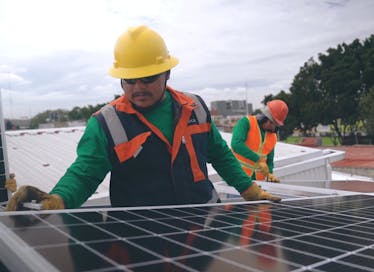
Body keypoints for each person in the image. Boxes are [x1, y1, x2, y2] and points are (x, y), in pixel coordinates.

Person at [6, 25, 280, 211]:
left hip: (204, 223)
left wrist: (248, 189)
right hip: (141, 233)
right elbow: (84, 173)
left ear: (167, 74)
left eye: (148, 78)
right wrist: (57, 200)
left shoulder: (194, 107)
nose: (138, 87)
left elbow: (219, 154)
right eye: (130, 79)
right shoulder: (106, 123)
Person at [231, 100, 288, 183]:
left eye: (276, 125)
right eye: (272, 123)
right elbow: (236, 144)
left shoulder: (273, 136)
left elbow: (269, 160)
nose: (273, 128)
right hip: (237, 179)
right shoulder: (246, 122)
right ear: (264, 118)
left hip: (259, 184)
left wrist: (269, 175)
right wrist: (258, 160)